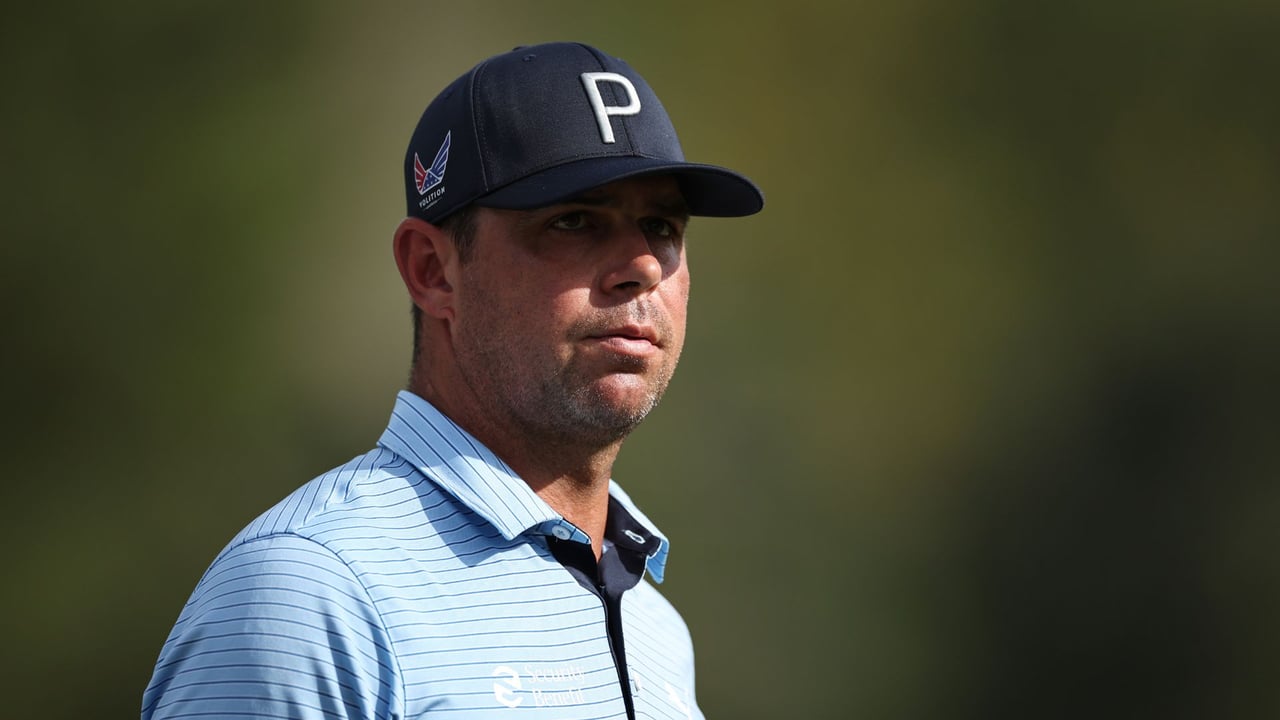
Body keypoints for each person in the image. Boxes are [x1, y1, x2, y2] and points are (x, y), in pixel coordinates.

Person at [141, 41, 763, 720]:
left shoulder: (656, 625)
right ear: (433, 271)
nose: (642, 264)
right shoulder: (306, 591)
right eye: (576, 221)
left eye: (661, 226)